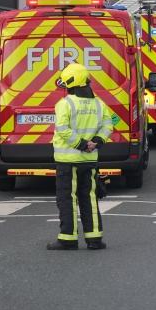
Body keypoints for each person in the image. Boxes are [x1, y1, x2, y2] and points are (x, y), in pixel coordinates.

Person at [47, 63, 113, 251]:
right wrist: (96, 142)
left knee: (66, 199)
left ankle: (68, 238)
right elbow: (109, 124)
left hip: (68, 162)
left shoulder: (65, 104)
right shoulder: (99, 104)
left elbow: (63, 130)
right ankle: (94, 239)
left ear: (70, 83)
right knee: (89, 198)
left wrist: (82, 145)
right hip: (90, 161)